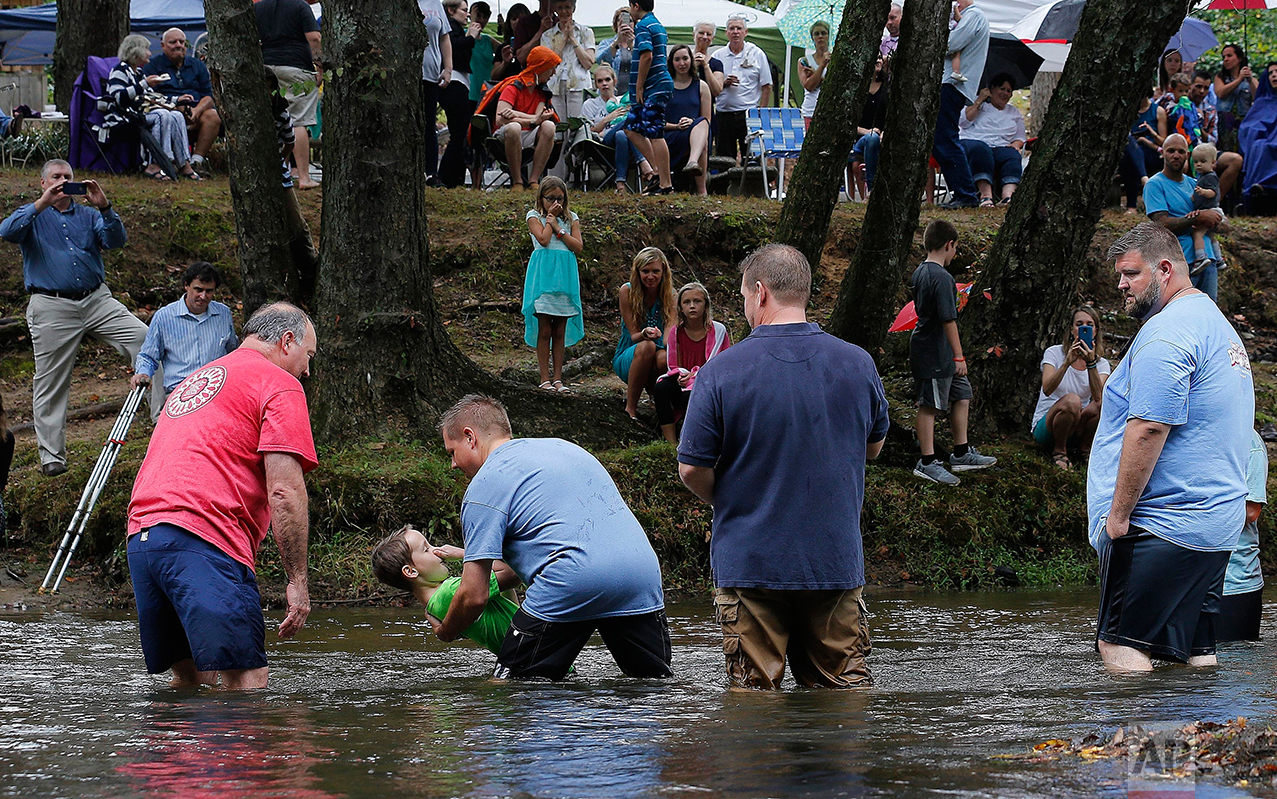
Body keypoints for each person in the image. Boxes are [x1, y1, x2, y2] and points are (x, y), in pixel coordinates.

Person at [678, 244, 889, 690]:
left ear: (760, 293)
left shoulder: (719, 372)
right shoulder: (858, 364)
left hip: (751, 562)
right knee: (843, 695)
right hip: (834, 560)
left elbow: (691, 469)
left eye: (743, 298)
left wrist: (738, 499)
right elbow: (873, 448)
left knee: (754, 701)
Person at [1088, 223, 1254, 672]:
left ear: (1164, 269)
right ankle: (1206, 738)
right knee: (1195, 655)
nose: (1121, 285)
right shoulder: (1213, 323)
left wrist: (1117, 518)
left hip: (1165, 522)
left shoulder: (1168, 333)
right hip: (1214, 525)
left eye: (1130, 274)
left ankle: (1132, 743)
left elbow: (1148, 429)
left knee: (1120, 645)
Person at [127, 302, 319, 689]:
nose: (307, 369)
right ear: (286, 341)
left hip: (143, 540)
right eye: (308, 355)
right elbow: (283, 490)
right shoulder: (278, 382)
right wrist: (298, 580)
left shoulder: (197, 379)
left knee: (188, 685)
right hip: (204, 537)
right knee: (245, 680)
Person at [433, 395, 672, 680]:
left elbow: (474, 596)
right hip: (640, 575)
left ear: (469, 437)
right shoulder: (564, 448)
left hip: (571, 579)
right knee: (652, 688)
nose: (453, 465)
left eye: (452, 451)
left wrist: (447, 629)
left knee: (510, 691)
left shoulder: (483, 487)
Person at [0, 162, 161, 476]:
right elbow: (7, 231)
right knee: (49, 380)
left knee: (147, 340)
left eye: (68, 178)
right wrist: (42, 203)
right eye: (57, 178)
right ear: (43, 181)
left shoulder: (88, 215)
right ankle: (52, 457)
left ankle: (163, 421)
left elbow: (115, 241)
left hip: (96, 299)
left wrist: (105, 207)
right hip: (51, 304)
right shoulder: (32, 215)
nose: (63, 182)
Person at [910, 220, 997, 485]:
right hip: (934, 351)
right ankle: (926, 461)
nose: (954, 254)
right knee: (930, 405)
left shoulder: (919, 273)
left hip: (938, 349)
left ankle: (961, 452)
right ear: (949, 244)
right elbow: (948, 320)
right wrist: (959, 356)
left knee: (962, 393)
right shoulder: (941, 277)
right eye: (955, 248)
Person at [370, 526, 521, 656]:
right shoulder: (451, 590)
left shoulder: (433, 610)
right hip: (531, 647)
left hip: (519, 652)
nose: (436, 550)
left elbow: (511, 612)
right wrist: (467, 555)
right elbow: (512, 574)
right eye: (426, 549)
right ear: (410, 571)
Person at [131, 262, 239, 422]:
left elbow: (233, 352)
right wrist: (142, 372)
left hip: (218, 393)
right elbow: (149, 355)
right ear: (186, 286)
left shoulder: (223, 314)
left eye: (209, 291)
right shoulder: (164, 317)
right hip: (180, 395)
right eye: (198, 290)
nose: (203, 296)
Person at [105, 35, 202, 181]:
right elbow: (118, 97)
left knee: (176, 115)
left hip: (138, 115)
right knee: (161, 115)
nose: (150, 53)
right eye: (146, 49)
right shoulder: (120, 71)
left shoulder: (138, 72)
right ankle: (155, 164)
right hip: (124, 117)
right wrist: (144, 84)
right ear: (136, 51)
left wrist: (177, 100)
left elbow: (153, 97)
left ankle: (184, 164)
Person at [1144, 133, 1228, 301]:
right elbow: (1161, 223)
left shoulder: (1195, 183)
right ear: (1163, 153)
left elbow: (1221, 222)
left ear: (1187, 155)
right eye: (1171, 151)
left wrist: (1216, 220)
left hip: (1208, 260)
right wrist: (1198, 219)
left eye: (1181, 151)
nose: (1176, 155)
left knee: (1207, 315)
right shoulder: (1154, 184)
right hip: (1179, 263)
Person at [1030, 306, 1111, 470]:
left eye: (1089, 325)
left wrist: (1090, 363)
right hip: (1048, 427)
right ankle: (1059, 451)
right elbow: (1047, 388)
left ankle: (1084, 450)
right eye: (1079, 324)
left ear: (1095, 331)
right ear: (1072, 329)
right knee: (1073, 400)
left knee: (1104, 402)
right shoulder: (1054, 353)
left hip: (1076, 428)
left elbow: (1098, 398)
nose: (1083, 328)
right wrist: (1067, 362)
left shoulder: (1101, 364)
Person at [522, 178, 583, 392]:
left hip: (564, 279)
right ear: (542, 199)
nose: (555, 203)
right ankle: (544, 378)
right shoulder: (534, 216)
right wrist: (550, 221)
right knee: (545, 329)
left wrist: (559, 227)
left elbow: (577, 246)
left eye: (559, 198)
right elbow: (543, 240)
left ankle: (558, 378)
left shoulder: (571, 219)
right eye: (550, 199)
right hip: (544, 279)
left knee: (560, 331)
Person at [653, 281, 730, 444]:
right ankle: (671, 442)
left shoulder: (719, 331)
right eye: (687, 302)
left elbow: (720, 365)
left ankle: (693, 442)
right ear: (681, 307)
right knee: (661, 388)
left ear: (705, 305)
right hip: (683, 379)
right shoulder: (676, 332)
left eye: (697, 301)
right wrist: (682, 375)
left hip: (710, 383)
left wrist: (695, 377)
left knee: (692, 395)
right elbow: (672, 365)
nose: (692, 306)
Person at [256, 0, 322, 190]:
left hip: (266, 67)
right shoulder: (300, 6)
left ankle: (274, 171)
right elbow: (314, 38)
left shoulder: (258, 7)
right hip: (296, 65)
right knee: (298, 120)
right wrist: (320, 67)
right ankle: (303, 177)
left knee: (271, 118)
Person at [476, 46, 561, 191]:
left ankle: (534, 181)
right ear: (541, 67)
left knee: (549, 126)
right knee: (514, 127)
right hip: (504, 136)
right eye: (551, 68)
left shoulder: (542, 92)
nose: (553, 72)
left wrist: (516, 115)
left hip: (528, 135)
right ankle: (517, 182)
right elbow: (500, 119)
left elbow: (539, 118)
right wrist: (532, 120)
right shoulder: (513, 87)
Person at [931, 0, 987, 209]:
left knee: (945, 139)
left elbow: (951, 44)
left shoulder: (974, 16)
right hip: (952, 84)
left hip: (952, 84)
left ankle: (965, 194)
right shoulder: (971, 17)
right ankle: (963, 193)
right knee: (942, 139)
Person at [143, 28, 222, 173]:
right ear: (163, 46)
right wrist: (175, 106)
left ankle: (197, 162)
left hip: (195, 112)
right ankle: (169, 162)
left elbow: (209, 96)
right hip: (167, 110)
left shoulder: (197, 65)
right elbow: (149, 96)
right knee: (173, 116)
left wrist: (196, 111)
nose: (178, 45)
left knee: (213, 116)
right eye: (173, 42)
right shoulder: (153, 65)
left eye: (181, 41)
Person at [1217, 429, 1267, 644]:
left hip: (1234, 580)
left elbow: (1251, 511)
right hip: (1185, 575)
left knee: (1233, 666)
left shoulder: (1249, 440)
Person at [613, 247, 675, 420]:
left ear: (663, 271)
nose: (650, 277)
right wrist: (644, 333)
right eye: (645, 271)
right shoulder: (627, 291)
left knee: (663, 357)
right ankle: (630, 408)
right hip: (631, 353)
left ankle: (657, 399)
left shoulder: (671, 296)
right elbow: (633, 335)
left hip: (657, 353)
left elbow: (668, 338)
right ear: (637, 271)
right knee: (646, 346)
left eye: (655, 271)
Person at [623, 0, 675, 194]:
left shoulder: (644, 25)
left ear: (636, 5)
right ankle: (658, 172)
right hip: (653, 85)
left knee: (655, 132)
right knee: (631, 128)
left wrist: (639, 86)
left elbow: (647, 56)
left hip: (653, 86)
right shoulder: (656, 24)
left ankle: (666, 184)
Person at [582, 66, 654, 192]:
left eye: (607, 80)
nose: (604, 84)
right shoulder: (590, 104)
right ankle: (644, 164)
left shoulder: (624, 101)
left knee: (622, 134)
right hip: (602, 146)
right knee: (629, 121)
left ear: (614, 81)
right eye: (600, 81)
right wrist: (607, 119)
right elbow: (589, 131)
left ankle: (620, 183)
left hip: (626, 144)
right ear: (596, 84)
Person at [958, 73, 1026, 206]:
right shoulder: (978, 105)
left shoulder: (1014, 113)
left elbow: (1020, 136)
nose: (1005, 93)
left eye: (1009, 91)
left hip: (1000, 146)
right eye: (1002, 89)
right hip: (973, 143)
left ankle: (1008, 196)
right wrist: (980, 100)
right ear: (992, 89)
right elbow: (964, 122)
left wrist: (1016, 145)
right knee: (981, 149)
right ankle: (986, 196)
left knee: (1012, 155)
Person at [713, 15, 772, 163]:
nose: (735, 32)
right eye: (732, 28)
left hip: (748, 114)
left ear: (746, 32)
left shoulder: (757, 53)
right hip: (723, 114)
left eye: (739, 28)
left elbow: (767, 86)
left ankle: (752, 186)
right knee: (724, 160)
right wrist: (724, 83)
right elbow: (710, 86)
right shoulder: (717, 56)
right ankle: (725, 186)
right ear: (726, 32)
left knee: (752, 159)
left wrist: (760, 114)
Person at [438, 0, 477, 188]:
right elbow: (453, 46)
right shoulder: (449, 28)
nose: (467, 15)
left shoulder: (453, 27)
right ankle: (445, 175)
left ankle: (453, 177)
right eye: (464, 10)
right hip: (455, 82)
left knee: (460, 133)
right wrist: (470, 38)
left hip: (459, 82)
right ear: (450, 10)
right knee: (460, 132)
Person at [663, 45, 711, 194]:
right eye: (677, 59)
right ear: (671, 62)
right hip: (671, 135)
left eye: (685, 58)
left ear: (691, 60)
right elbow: (657, 122)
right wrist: (677, 126)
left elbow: (707, 120)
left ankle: (700, 186)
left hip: (695, 134)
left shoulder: (701, 86)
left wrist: (692, 123)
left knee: (702, 127)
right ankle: (694, 168)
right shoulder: (664, 87)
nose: (682, 63)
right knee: (701, 139)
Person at [539, 0, 594, 125]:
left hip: (578, 85)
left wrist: (573, 39)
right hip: (554, 85)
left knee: (577, 124)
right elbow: (549, 64)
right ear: (555, 9)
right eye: (560, 7)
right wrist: (563, 39)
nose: (564, 11)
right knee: (559, 125)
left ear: (574, 8)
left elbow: (588, 63)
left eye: (567, 7)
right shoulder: (547, 35)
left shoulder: (586, 32)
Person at [418, 0, 453, 187]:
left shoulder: (435, 3)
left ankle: (431, 173)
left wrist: (448, 68)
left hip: (430, 74)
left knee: (428, 123)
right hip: (403, 74)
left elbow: (444, 36)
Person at [1120, 88, 1166, 213]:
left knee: (1130, 159)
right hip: (1131, 152)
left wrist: (1150, 135)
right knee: (1129, 150)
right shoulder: (1128, 111)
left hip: (1152, 152)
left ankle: (1132, 205)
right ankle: (1144, 179)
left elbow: (1164, 142)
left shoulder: (1158, 111)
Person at [851, 54, 890, 196]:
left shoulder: (888, 88)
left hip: (885, 137)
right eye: (875, 57)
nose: (878, 60)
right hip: (861, 138)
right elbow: (848, 123)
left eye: (880, 57)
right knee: (872, 138)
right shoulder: (857, 90)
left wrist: (885, 132)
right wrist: (868, 132)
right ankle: (871, 190)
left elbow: (892, 117)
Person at [1239, 62, 1277, 202]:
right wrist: (1258, 132)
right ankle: (1258, 189)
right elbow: (1249, 126)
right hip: (1263, 139)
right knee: (1258, 147)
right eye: (1271, 73)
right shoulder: (1262, 102)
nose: (1274, 75)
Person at [1216, 43, 1258, 154]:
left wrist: (1250, 81)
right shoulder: (1220, 77)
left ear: (1239, 58)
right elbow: (1221, 93)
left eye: (1229, 56)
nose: (1226, 59)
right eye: (1224, 57)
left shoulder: (1251, 79)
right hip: (1225, 122)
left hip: (1245, 121)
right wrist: (1239, 79)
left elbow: (1257, 98)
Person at [1190, 142, 1226, 274]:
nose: (1198, 164)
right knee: (1211, 237)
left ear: (1213, 163)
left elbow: (1213, 193)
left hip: (1210, 210)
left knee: (1197, 234)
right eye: (1196, 161)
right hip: (1209, 209)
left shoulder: (1210, 177)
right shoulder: (1202, 177)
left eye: (1203, 161)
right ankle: (1219, 260)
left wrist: (1203, 192)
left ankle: (1200, 258)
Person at [596, 7, 636, 96]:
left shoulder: (640, 43)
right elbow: (601, 61)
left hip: (634, 94)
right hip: (611, 94)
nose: (626, 24)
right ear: (616, 23)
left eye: (630, 20)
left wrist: (632, 46)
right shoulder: (606, 43)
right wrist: (617, 42)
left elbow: (644, 63)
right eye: (620, 20)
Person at [798, 21, 830, 130]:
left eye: (823, 33)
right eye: (816, 34)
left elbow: (834, 86)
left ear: (829, 36)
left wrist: (815, 76)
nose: (820, 36)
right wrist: (822, 66)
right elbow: (809, 86)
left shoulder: (835, 59)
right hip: (810, 111)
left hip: (829, 111)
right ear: (812, 38)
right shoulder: (804, 61)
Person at [692, 21, 726, 101]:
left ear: (713, 38)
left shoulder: (716, 64)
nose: (704, 37)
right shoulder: (684, 58)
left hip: (707, 108)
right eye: (701, 33)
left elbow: (717, 91)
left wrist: (706, 66)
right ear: (694, 34)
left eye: (708, 34)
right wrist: (692, 65)